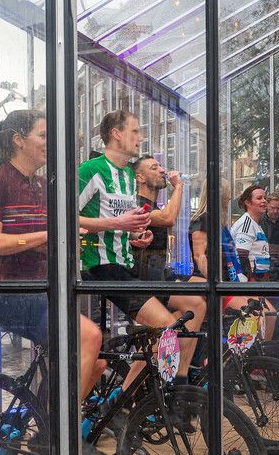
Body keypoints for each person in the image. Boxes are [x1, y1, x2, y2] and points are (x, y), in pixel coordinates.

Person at [0, 111, 105, 454]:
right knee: (87, 337)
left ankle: (47, 425)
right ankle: (51, 437)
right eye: (43, 136)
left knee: (96, 363)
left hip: (42, 289)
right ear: (19, 139)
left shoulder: (44, 186)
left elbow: (52, 236)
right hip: (3, 292)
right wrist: (48, 234)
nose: (50, 143)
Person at [78, 110, 205, 388]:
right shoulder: (91, 169)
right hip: (97, 266)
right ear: (116, 134)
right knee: (168, 327)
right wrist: (117, 222)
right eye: (135, 131)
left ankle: (128, 398)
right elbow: (65, 216)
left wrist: (136, 233)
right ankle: (125, 399)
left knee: (170, 325)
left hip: (125, 265)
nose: (140, 137)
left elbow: (121, 223)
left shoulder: (126, 175)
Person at [188, 180, 275, 339]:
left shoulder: (221, 224)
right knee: (254, 317)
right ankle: (243, 359)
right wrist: (217, 281)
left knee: (269, 314)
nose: (230, 199)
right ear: (220, 196)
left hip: (229, 280)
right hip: (214, 281)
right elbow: (199, 255)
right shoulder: (203, 220)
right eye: (228, 194)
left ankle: (259, 360)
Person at [131, 155, 184, 281]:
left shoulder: (155, 207)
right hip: (145, 278)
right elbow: (168, 219)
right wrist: (178, 186)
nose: (162, 170)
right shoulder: (136, 205)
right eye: (154, 168)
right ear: (140, 177)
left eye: (160, 166)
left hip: (163, 273)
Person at [230, 185, 271, 280]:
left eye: (265, 198)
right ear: (248, 203)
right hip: (252, 279)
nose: (264, 201)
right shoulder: (246, 223)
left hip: (259, 277)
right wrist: (250, 280)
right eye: (259, 198)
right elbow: (241, 254)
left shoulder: (256, 224)